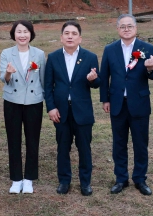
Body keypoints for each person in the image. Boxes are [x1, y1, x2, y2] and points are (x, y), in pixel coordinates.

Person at [99, 14, 153, 196]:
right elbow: (104, 77)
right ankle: (121, 178)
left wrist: (150, 68)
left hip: (139, 103)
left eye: (129, 26)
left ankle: (140, 179)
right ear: (118, 29)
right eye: (123, 26)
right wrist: (105, 99)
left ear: (136, 28)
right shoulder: (110, 49)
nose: (126, 29)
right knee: (119, 143)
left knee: (140, 143)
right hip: (117, 103)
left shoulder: (147, 48)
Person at [44, 21, 100, 196]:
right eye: (67, 33)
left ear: (80, 38)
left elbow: (97, 83)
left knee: (84, 148)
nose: (70, 36)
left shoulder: (90, 57)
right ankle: (64, 181)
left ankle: (85, 182)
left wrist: (92, 79)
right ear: (61, 37)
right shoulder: (53, 57)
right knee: (62, 148)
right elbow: (48, 86)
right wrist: (51, 108)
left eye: (74, 33)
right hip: (61, 112)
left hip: (82, 111)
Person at [0, 20, 46, 194]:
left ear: (31, 34)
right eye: (19, 31)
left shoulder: (39, 54)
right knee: (13, 140)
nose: (22, 35)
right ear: (14, 34)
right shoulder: (6, 53)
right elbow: (4, 79)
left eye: (25, 31)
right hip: (13, 101)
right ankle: (16, 178)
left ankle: (29, 179)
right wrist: (8, 72)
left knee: (33, 140)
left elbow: (43, 79)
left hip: (34, 101)